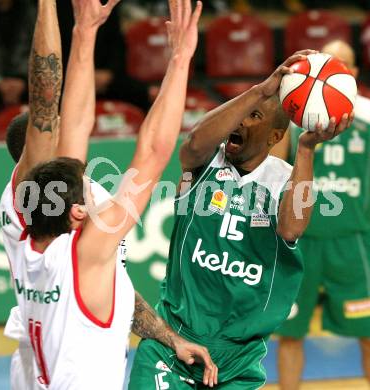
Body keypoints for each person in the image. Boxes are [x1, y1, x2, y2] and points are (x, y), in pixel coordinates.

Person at [0, 0, 218, 388]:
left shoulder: (38, 231)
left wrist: (84, 34)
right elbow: (152, 153)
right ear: (78, 214)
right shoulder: (87, 250)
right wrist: (181, 59)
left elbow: (77, 124)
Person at [128, 45, 354, 387]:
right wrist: (260, 91)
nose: (242, 122)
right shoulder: (205, 163)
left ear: (276, 136)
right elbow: (191, 145)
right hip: (170, 341)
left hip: (238, 358)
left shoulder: (284, 180)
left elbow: (291, 229)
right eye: (241, 115)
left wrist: (306, 148)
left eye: (255, 117)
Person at [273, 40, 370, 390]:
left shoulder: (368, 117)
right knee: (290, 334)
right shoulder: (294, 112)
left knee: (368, 334)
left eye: (341, 64)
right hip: (301, 243)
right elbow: (274, 167)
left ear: (354, 73)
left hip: (352, 243)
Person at [0, 0, 35, 140]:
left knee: (49, 86)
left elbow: (40, 49)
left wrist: (23, 80)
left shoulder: (30, 11)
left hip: (27, 80)